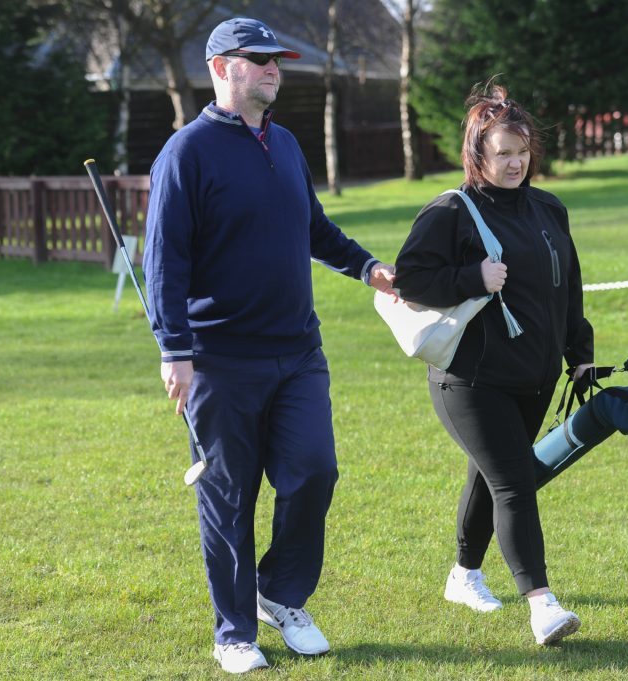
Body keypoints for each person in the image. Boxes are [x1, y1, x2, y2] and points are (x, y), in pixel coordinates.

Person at [141, 17, 396, 675]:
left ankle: (280, 593)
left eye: (277, 59)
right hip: (220, 359)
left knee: (315, 471)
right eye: (259, 59)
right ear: (223, 67)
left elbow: (312, 226)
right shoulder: (185, 153)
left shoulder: (283, 143)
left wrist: (368, 267)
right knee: (229, 499)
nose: (274, 68)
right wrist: (176, 351)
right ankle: (233, 631)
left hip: (298, 353)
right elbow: (164, 263)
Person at [392, 82, 594, 647]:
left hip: (535, 376)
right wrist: (471, 278)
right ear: (477, 153)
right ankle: (543, 605)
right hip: (470, 381)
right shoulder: (451, 211)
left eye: (522, 150)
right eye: (503, 152)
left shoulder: (549, 207)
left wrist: (581, 353)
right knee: (514, 482)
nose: (515, 162)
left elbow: (567, 286)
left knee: (494, 474)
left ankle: (463, 574)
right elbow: (409, 281)